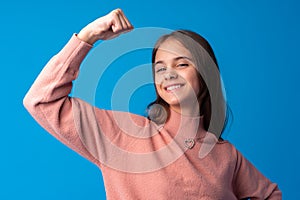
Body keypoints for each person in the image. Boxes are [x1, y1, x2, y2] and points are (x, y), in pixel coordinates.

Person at [23, 8, 282, 199]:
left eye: (181, 64)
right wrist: (88, 37)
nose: (169, 74)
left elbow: (271, 195)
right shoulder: (124, 135)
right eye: (160, 68)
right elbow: (41, 100)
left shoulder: (226, 155)